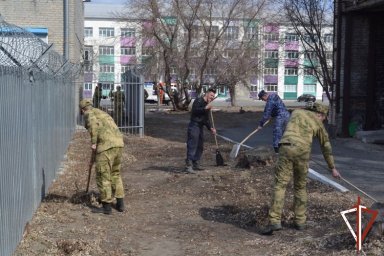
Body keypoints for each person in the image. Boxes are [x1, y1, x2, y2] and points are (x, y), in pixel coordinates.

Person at [261, 102, 341, 235]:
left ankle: (274, 221)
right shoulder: (318, 123)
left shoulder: (296, 112)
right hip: (303, 152)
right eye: (324, 117)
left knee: (280, 185)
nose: (323, 120)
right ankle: (300, 221)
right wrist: (332, 167)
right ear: (320, 114)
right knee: (300, 187)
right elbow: (326, 147)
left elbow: (288, 128)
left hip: (285, 147)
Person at [79, 99, 125, 214]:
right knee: (115, 174)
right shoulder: (103, 113)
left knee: (102, 175)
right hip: (118, 144)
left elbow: (93, 126)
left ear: (82, 110)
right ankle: (120, 204)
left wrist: (94, 142)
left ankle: (107, 207)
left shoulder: (89, 113)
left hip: (105, 147)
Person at [185, 88, 217, 173]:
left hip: (200, 127)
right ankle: (188, 165)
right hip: (194, 125)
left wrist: (210, 128)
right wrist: (205, 108)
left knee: (200, 145)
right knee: (192, 145)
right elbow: (195, 111)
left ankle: (196, 162)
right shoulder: (198, 100)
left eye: (213, 96)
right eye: (211, 95)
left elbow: (205, 119)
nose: (212, 97)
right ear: (207, 94)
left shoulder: (207, 104)